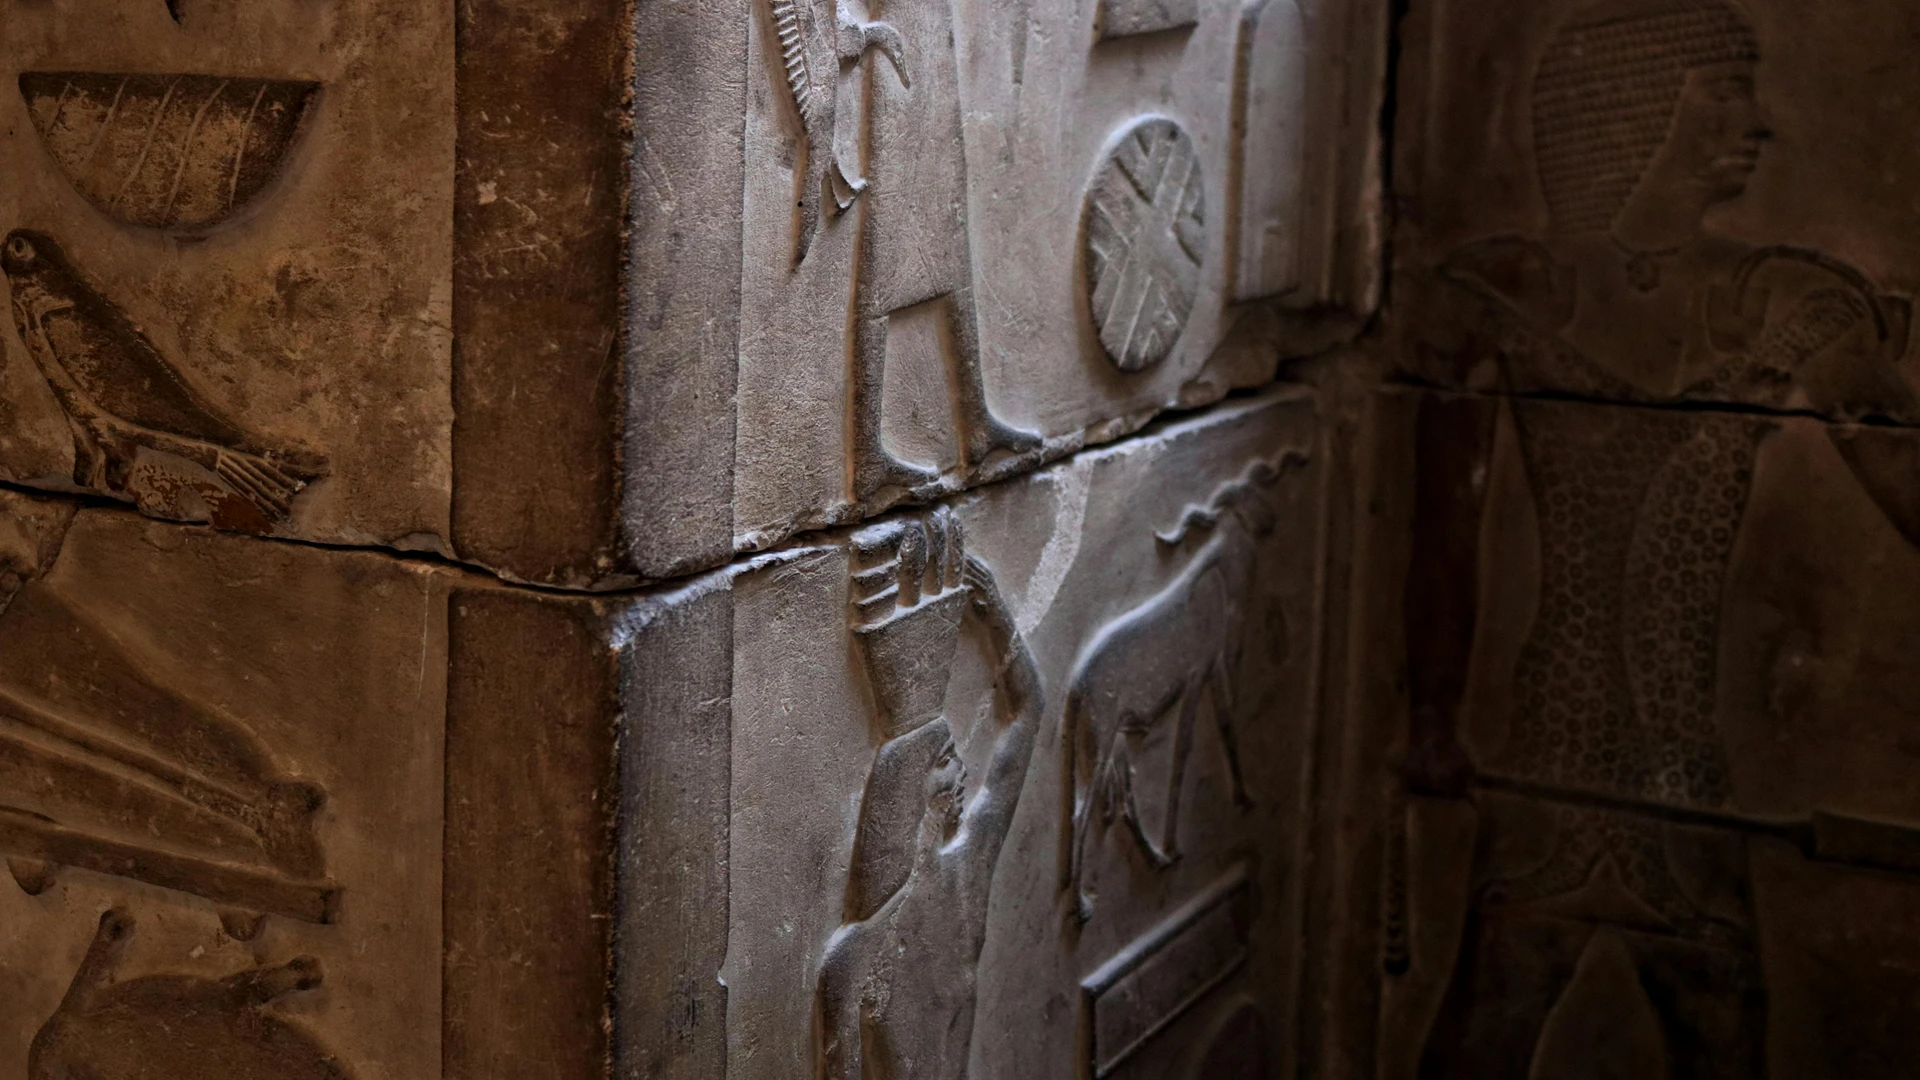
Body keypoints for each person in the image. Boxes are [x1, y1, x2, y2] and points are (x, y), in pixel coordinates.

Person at [1402, 0, 1920, 1073]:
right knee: (1484, 1034)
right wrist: (1430, 720)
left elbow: (1901, 472)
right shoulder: (1510, 292)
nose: (1756, 123)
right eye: (1723, 86)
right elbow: (1442, 540)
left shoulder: (1773, 299)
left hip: (1685, 787)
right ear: (1633, 109)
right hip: (1550, 780)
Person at [814, 518, 1043, 1080]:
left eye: (953, 755)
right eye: (944, 764)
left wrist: (996, 615)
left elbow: (1029, 717)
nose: (962, 770)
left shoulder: (972, 863)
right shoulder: (855, 958)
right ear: (906, 792)